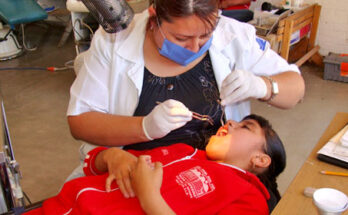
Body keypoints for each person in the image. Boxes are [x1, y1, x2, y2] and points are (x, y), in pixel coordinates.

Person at [66, 0, 304, 180]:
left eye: (205, 36)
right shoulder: (114, 41)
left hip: (212, 177)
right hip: (136, 174)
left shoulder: (232, 35)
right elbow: (79, 122)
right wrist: (144, 128)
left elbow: (296, 89)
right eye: (181, 38)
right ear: (153, 17)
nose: (194, 48)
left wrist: (263, 86)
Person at [25, 114, 286, 214]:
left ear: (260, 160)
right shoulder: (184, 152)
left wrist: (150, 197)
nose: (229, 123)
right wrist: (111, 156)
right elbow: (92, 165)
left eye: (245, 127)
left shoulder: (250, 198)